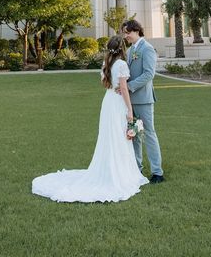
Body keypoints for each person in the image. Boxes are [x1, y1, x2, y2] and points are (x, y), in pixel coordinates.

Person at [32, 35, 149, 202]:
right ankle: (120, 174)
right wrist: (130, 110)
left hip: (108, 101)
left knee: (110, 136)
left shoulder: (106, 64)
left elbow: (107, 84)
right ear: (122, 48)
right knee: (119, 136)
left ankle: (112, 168)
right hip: (117, 103)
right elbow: (123, 88)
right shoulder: (121, 64)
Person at [121, 19, 164, 183]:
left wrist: (129, 86)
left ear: (137, 30)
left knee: (149, 134)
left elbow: (149, 74)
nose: (126, 36)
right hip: (130, 101)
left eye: (128, 32)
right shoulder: (131, 50)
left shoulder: (147, 49)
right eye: (124, 33)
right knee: (134, 135)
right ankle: (136, 169)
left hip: (144, 100)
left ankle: (157, 172)